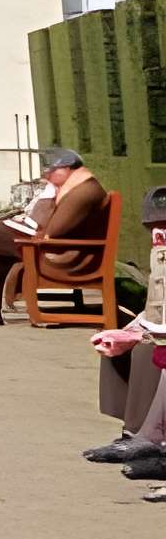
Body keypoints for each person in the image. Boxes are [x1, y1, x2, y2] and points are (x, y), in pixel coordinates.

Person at [0, 147, 104, 325]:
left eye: (52, 170)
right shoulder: (79, 187)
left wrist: (39, 208)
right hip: (65, 250)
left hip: (64, 257)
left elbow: (52, 230)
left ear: (67, 169)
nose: (47, 174)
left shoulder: (81, 191)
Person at [83, 189, 166, 489]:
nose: (158, 234)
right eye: (154, 227)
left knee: (151, 349)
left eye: (164, 227)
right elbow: (156, 306)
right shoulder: (161, 253)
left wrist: (141, 334)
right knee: (120, 342)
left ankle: (148, 438)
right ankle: (136, 434)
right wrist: (128, 331)